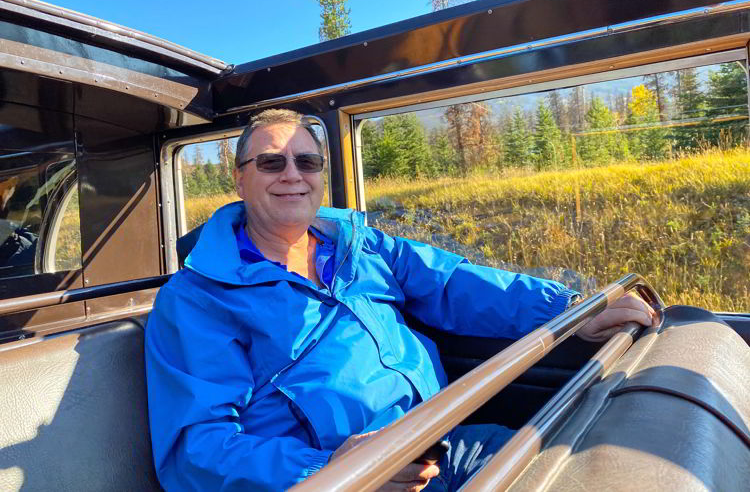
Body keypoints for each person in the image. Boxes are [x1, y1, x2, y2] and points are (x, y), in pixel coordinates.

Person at [145, 109, 656, 492]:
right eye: (271, 162)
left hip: (440, 445)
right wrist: (333, 469)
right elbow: (198, 449)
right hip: (334, 480)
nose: (292, 174)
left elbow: (454, 283)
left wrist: (570, 310)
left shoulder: (361, 246)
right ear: (239, 178)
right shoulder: (196, 301)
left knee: (591, 469)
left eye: (306, 161)